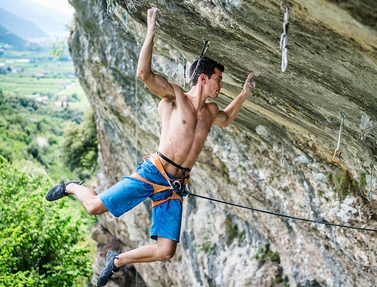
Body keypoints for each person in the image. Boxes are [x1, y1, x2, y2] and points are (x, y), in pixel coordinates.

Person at [45, 7, 255, 287]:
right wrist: (151, 30)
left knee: (165, 251)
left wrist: (243, 93)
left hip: (176, 184)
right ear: (203, 78)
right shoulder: (175, 97)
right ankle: (71, 186)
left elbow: (227, 119)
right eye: (218, 79)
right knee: (95, 206)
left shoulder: (211, 111)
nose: (220, 85)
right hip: (154, 171)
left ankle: (117, 260)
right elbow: (143, 73)